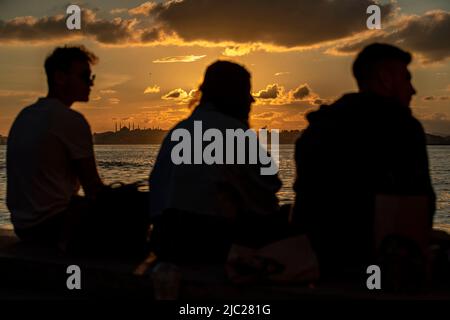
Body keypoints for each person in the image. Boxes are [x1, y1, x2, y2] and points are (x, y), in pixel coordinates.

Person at [292, 43, 436, 279]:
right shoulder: (402, 127)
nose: (413, 90)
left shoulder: (318, 127)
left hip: (318, 261)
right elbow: (419, 204)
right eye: (406, 78)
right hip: (374, 262)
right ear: (385, 79)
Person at [7, 46, 149, 259]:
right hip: (54, 228)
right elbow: (93, 189)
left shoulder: (24, 116)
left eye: (90, 77)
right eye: (84, 76)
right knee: (141, 205)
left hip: (23, 227)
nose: (90, 83)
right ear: (60, 78)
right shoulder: (70, 120)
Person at [149, 61, 286, 264]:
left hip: (167, 245)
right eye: (246, 92)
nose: (252, 100)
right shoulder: (234, 132)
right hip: (214, 248)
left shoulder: (179, 130)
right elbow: (266, 197)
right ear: (233, 95)